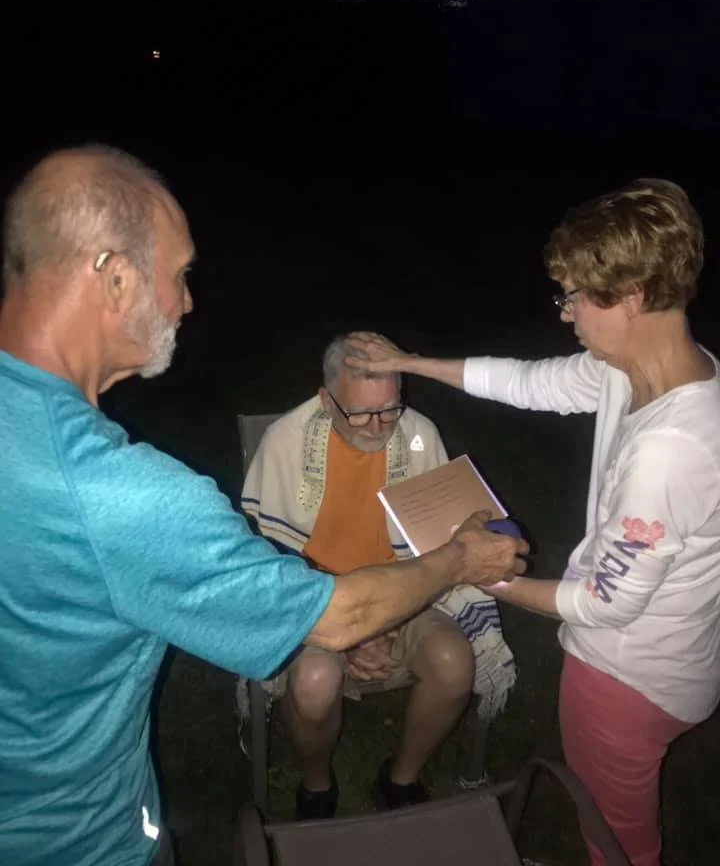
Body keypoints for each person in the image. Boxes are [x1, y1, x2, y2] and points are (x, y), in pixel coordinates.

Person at [0, 146, 528, 866]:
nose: (188, 302)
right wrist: (464, 555)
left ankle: (397, 778)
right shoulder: (123, 499)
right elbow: (330, 614)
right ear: (115, 278)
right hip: (68, 840)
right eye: (180, 275)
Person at [344, 178, 720, 866]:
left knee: (617, 841)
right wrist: (408, 363)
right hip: (676, 657)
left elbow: (600, 605)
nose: (567, 313)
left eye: (576, 295)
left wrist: (476, 570)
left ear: (630, 297)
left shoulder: (671, 449)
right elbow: (526, 381)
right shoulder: (638, 371)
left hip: (626, 679)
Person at [240, 333, 516, 818]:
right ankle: (318, 785)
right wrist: (349, 635)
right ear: (326, 400)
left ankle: (400, 778)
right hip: (319, 600)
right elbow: (272, 558)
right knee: (315, 679)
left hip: (402, 593)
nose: (379, 427)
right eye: (361, 413)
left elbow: (436, 546)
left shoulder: (418, 434)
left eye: (390, 409)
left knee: (454, 662)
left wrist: (387, 621)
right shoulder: (285, 439)